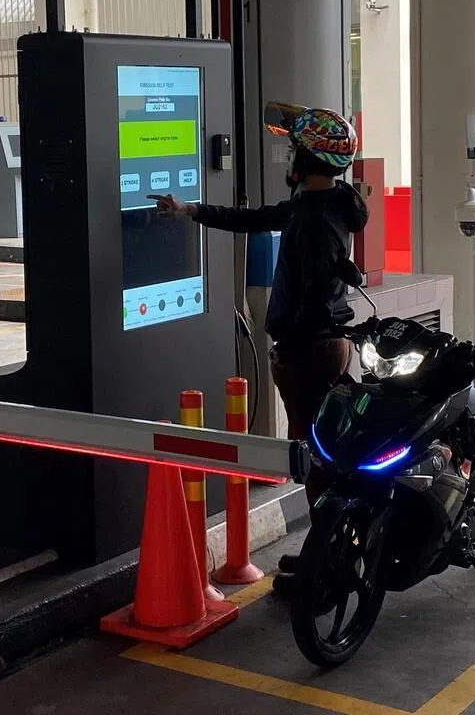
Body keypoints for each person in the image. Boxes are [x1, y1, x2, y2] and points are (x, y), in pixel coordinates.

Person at [153, 102, 368, 595]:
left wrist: (285, 343)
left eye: (293, 150)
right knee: (324, 455)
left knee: (318, 461)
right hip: (322, 349)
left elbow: (314, 293)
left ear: (304, 162)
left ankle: (331, 563)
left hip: (308, 352)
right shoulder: (328, 205)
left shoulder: (313, 221)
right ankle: (332, 548)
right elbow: (254, 219)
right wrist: (190, 210)